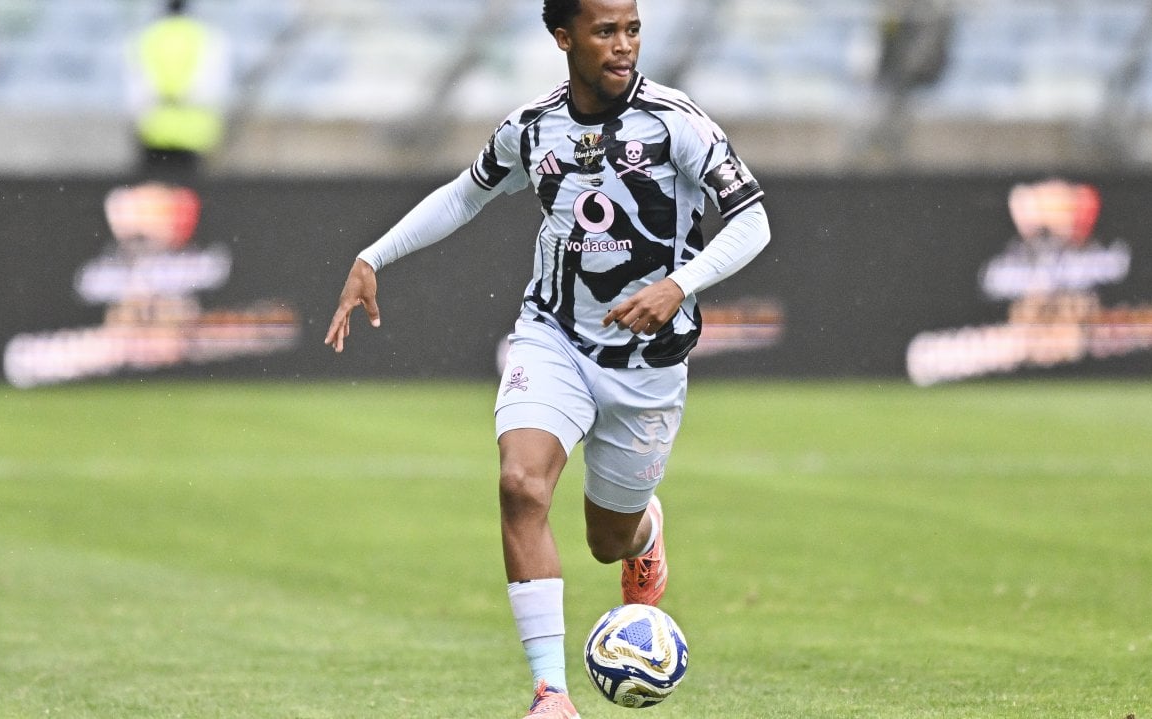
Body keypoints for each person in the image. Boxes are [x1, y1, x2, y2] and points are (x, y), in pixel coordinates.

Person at [324, 1, 769, 716]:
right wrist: (375, 254)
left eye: (632, 29)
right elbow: (464, 195)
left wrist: (678, 285)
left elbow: (753, 219)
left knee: (607, 539)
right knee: (521, 486)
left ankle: (645, 532)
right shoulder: (533, 128)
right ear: (563, 38)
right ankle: (550, 694)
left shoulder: (676, 120)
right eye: (605, 31)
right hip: (553, 335)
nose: (623, 47)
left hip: (649, 363)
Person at [124, 0, 230, 177]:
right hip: (195, 134)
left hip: (153, 130)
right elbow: (212, 87)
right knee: (190, 197)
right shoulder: (205, 37)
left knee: (157, 197)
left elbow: (136, 89)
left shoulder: (147, 37)